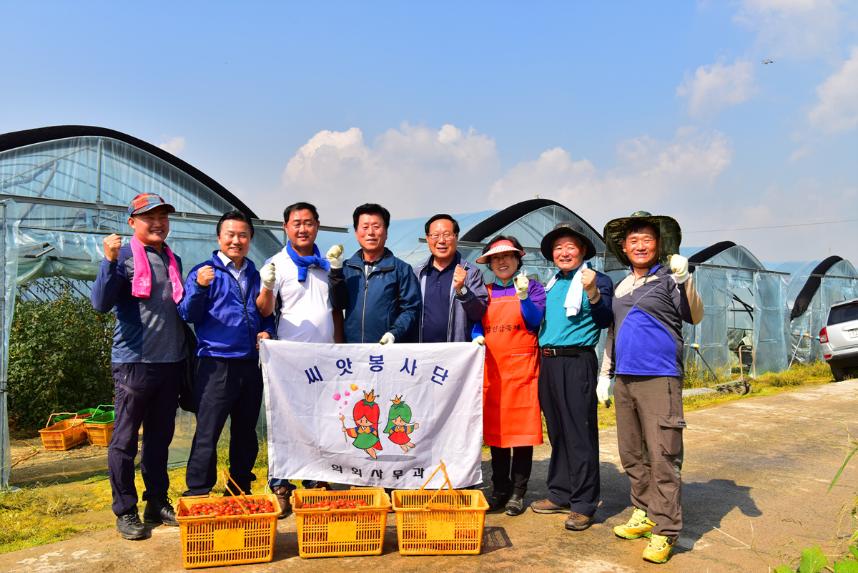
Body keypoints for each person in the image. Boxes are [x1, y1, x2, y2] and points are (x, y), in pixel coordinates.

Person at [599, 211, 703, 564]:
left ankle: (666, 529)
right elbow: (613, 332)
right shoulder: (622, 285)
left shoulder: (670, 278)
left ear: (658, 245)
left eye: (647, 239)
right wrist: (605, 374)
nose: (640, 245)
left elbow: (695, 314)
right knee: (632, 453)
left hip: (660, 377)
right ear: (624, 248)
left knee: (663, 455)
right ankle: (642, 512)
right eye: (633, 241)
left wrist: (686, 279)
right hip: (625, 378)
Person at [91, 193, 187, 540]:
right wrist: (109, 261)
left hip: (169, 363)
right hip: (133, 364)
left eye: (163, 216)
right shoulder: (125, 255)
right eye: (149, 217)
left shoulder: (170, 258)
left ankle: (156, 501)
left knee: (160, 439)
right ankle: (125, 509)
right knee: (125, 440)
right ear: (133, 222)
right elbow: (100, 303)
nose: (158, 222)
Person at [255, 201, 342, 517]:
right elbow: (264, 310)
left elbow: (336, 310)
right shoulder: (277, 263)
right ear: (285, 228)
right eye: (296, 223)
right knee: (285, 423)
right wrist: (266, 285)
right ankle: (280, 484)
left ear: (317, 225)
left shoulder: (327, 264)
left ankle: (316, 479)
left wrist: (340, 346)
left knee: (321, 421)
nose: (302, 228)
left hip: (325, 357)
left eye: (308, 222)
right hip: (289, 361)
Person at [179, 210, 274, 498]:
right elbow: (186, 312)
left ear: (250, 239)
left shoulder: (255, 274)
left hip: (250, 364)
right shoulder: (204, 272)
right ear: (219, 237)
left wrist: (267, 330)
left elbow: (265, 313)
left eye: (243, 235)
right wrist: (199, 287)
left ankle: (239, 486)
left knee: (246, 432)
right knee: (208, 430)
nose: (236, 240)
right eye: (230, 235)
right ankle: (198, 489)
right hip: (216, 363)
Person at [531, 222, 613, 532]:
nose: (564, 252)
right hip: (548, 362)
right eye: (558, 248)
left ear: (582, 251)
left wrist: (592, 292)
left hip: (577, 361)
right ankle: (560, 492)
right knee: (558, 431)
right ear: (553, 254)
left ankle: (583, 503)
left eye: (571, 247)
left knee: (580, 432)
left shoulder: (597, 280)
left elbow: (605, 318)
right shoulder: (550, 285)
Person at [471, 236, 545, 516]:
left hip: (523, 370)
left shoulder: (533, 287)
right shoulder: (485, 291)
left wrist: (524, 296)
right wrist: (477, 337)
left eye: (508, 257)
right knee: (497, 434)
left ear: (518, 260)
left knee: (521, 435)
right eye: (495, 258)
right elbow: (477, 323)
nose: (502, 262)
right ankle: (499, 489)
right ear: (490, 263)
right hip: (493, 371)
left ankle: (518, 492)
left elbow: (535, 320)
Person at [340, 203, 421, 344]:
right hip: (352, 351)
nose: (370, 232)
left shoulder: (401, 269)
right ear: (356, 232)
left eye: (376, 227)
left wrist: (394, 333)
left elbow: (411, 309)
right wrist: (335, 272)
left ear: (386, 232)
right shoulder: (346, 268)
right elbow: (336, 304)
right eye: (365, 227)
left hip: (387, 350)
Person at [414, 214, 487, 342]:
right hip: (422, 354)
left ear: (456, 237)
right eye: (435, 235)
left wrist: (462, 289)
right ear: (427, 239)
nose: (441, 240)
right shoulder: (417, 273)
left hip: (455, 355)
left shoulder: (471, 273)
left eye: (447, 235)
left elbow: (479, 312)